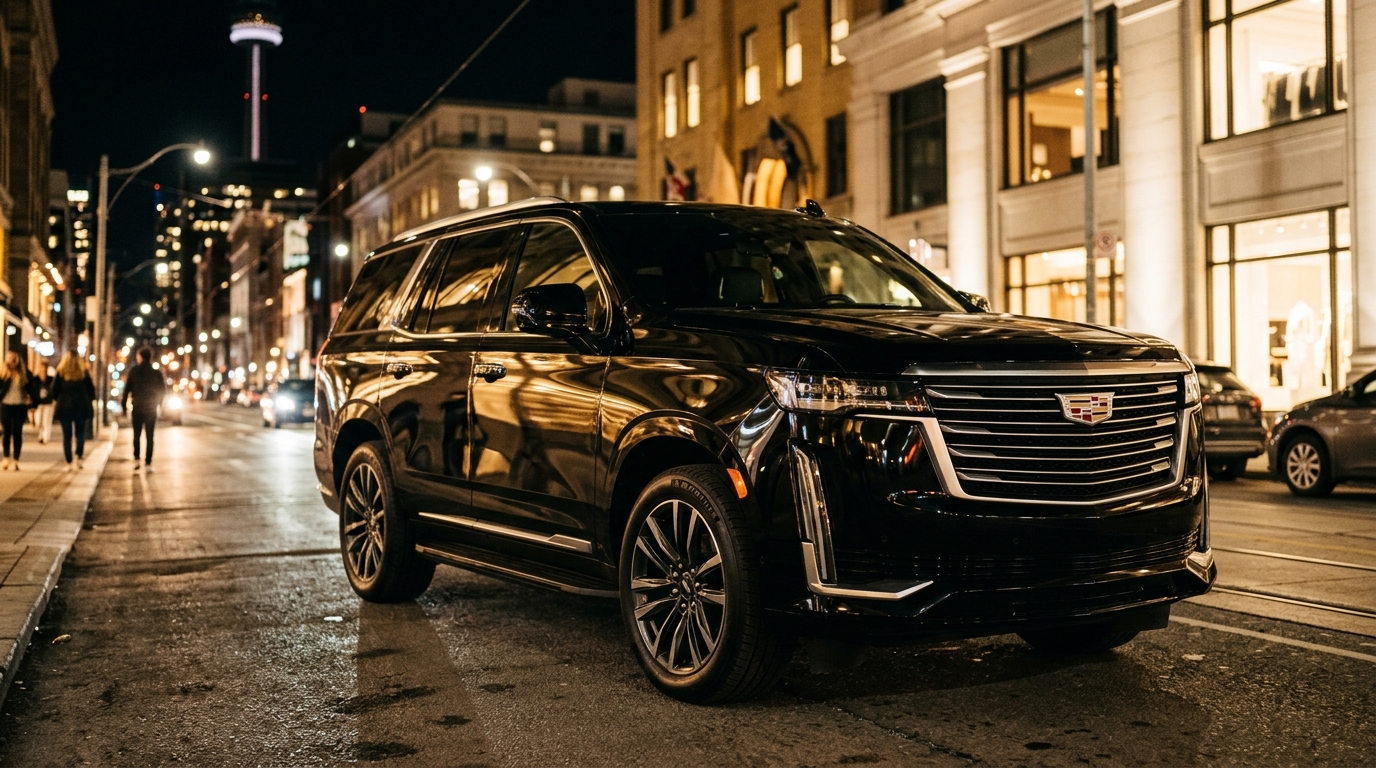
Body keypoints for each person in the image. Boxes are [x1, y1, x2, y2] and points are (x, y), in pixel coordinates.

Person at [120, 347, 166, 471]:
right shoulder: (156, 372)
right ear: (150, 357)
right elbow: (162, 391)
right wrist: (159, 405)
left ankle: (136, 458)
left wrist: (124, 407)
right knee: (150, 435)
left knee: (136, 434)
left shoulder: (134, 371)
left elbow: (126, 390)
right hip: (151, 407)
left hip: (138, 407)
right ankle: (148, 462)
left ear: (140, 356)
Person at [52, 350, 96, 471]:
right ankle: (79, 458)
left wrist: (60, 398)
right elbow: (91, 390)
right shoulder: (83, 372)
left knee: (67, 435)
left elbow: (54, 391)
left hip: (65, 408)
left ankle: (69, 462)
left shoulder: (61, 372)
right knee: (80, 433)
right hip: (80, 407)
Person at [0, 349, 38, 471]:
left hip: (20, 406)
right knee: (6, 432)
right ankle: (6, 458)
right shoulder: (3, 373)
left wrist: (33, 403)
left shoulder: (24, 373)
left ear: (18, 359)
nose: (11, 361)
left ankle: (16, 459)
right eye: (9, 357)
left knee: (17, 432)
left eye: (13, 358)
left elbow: (32, 388)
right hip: (6, 405)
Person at [33, 364, 56, 444]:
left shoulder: (51, 380)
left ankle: (45, 437)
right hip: (38, 403)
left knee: (46, 420)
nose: (43, 371)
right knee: (38, 421)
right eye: (42, 369)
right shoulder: (35, 379)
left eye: (45, 369)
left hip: (48, 403)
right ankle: (41, 434)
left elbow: (54, 389)